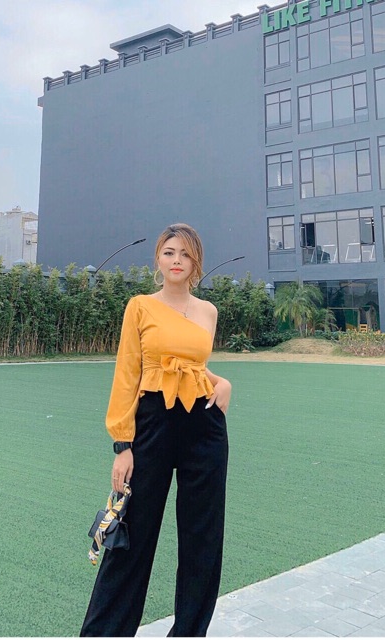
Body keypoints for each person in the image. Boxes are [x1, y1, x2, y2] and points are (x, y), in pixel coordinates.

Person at [80, 223, 232, 637]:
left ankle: (189, 632)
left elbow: (192, 365)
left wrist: (221, 382)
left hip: (204, 425)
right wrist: (122, 444)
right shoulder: (141, 306)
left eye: (185, 254)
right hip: (153, 423)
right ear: (158, 260)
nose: (176, 260)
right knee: (133, 535)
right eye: (169, 252)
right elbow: (128, 372)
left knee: (203, 538)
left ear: (196, 262)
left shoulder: (208, 311)